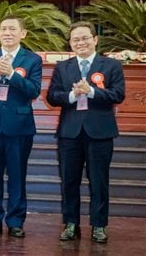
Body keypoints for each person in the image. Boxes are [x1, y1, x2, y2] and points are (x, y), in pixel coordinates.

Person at [46, 21, 125, 244]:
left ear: (95, 40)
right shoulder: (63, 67)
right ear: (70, 43)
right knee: (69, 181)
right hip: (69, 133)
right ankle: (71, 224)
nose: (80, 42)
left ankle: (99, 226)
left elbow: (118, 95)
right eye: (75, 39)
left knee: (99, 181)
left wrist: (90, 92)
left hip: (100, 132)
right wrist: (72, 96)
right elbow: (52, 96)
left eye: (84, 38)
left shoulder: (111, 65)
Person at [0, 14, 43, 238]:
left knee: (17, 176)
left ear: (23, 33)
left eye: (12, 29)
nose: (7, 33)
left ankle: (15, 221)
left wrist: (11, 74)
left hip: (19, 127)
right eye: (3, 29)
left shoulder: (32, 59)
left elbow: (33, 91)